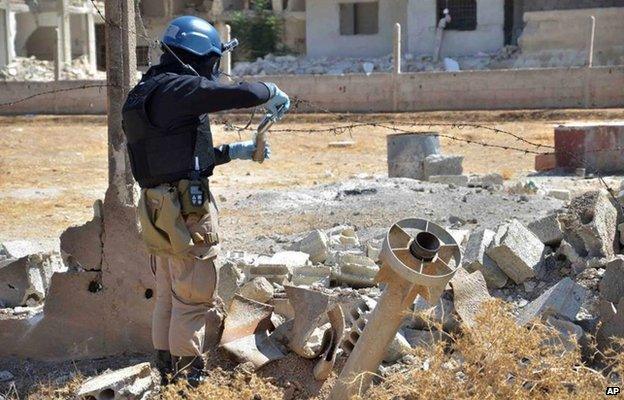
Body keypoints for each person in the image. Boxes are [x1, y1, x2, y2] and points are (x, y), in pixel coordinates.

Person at [121, 15, 290, 387]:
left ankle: (167, 376)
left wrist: (236, 151)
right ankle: (187, 384)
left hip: (158, 209)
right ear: (200, 56)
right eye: (213, 60)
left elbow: (179, 158)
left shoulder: (146, 92)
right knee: (193, 299)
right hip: (186, 213)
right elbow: (226, 94)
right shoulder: (175, 90)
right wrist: (267, 90)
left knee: (169, 295)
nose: (214, 69)